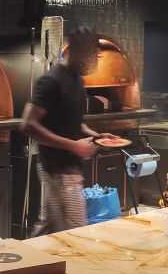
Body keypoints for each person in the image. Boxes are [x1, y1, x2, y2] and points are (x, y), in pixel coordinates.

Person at [21, 26, 116, 234]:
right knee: (76, 231)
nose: (94, 60)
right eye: (91, 55)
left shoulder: (77, 80)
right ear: (76, 50)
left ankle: (32, 251)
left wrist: (98, 137)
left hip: (69, 167)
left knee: (52, 227)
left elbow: (75, 123)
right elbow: (28, 124)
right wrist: (74, 146)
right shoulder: (51, 81)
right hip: (58, 168)